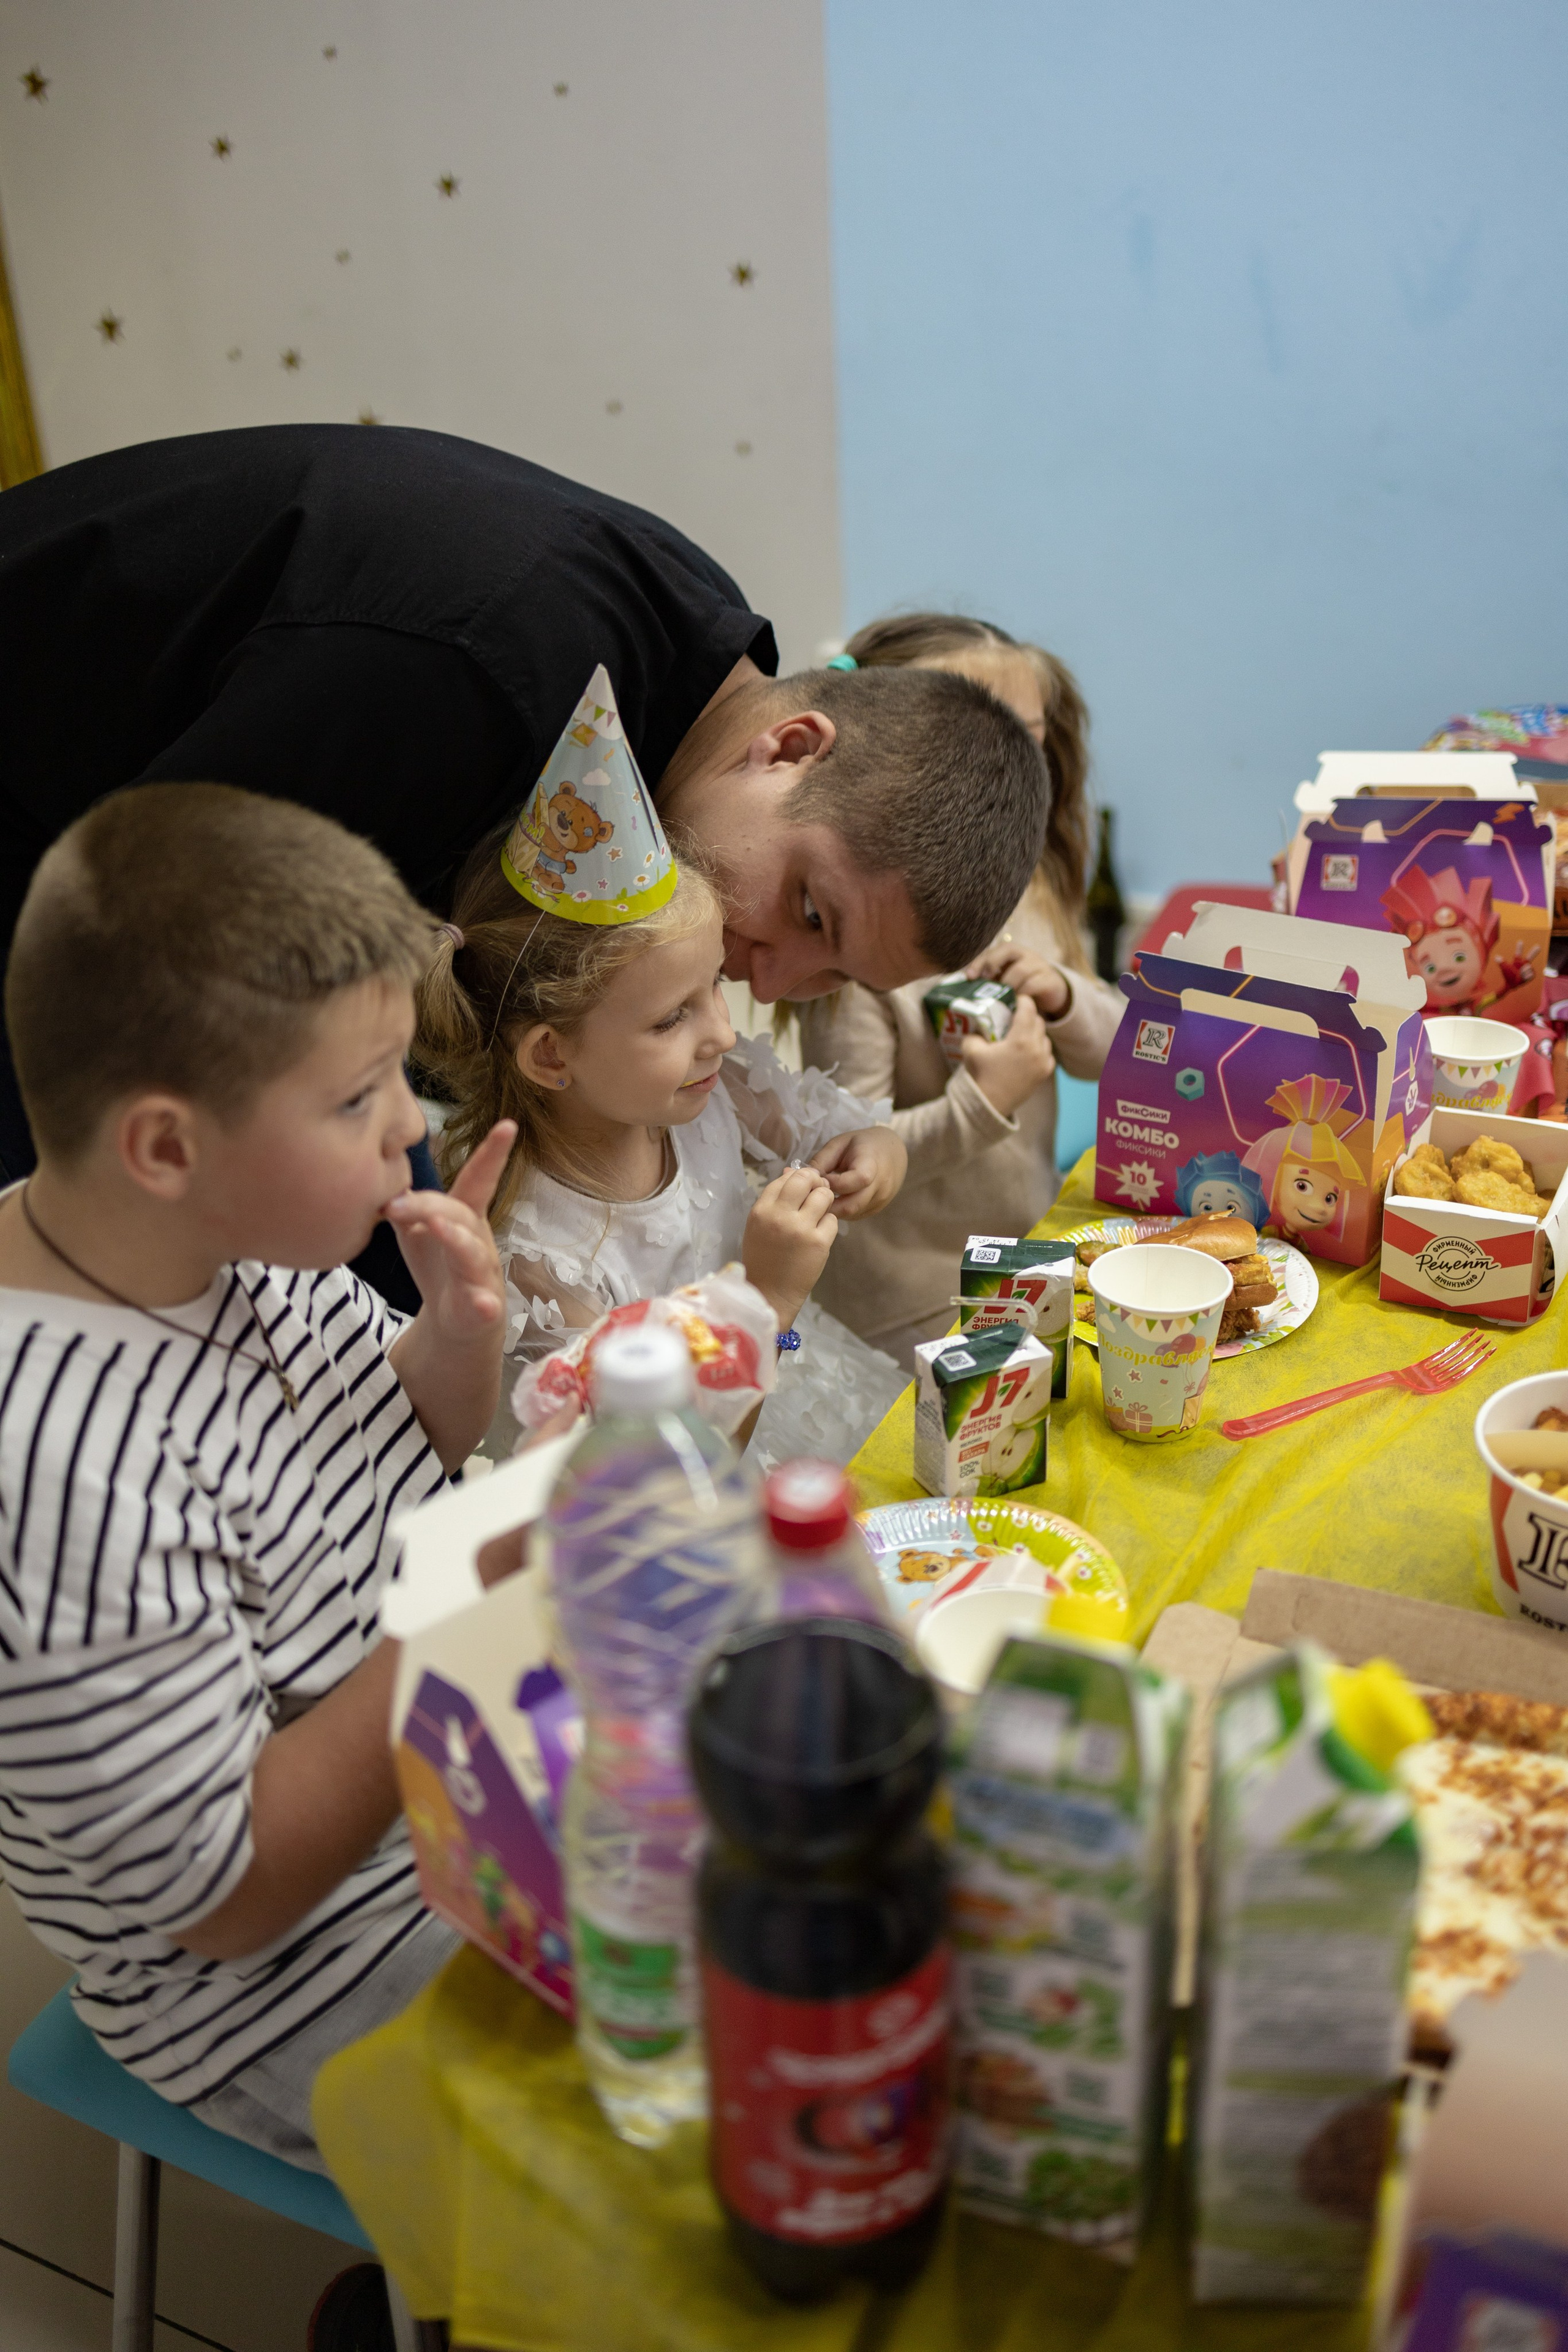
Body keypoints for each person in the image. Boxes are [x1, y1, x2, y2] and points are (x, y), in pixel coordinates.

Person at [0, 424, 1049, 1178]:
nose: (764, 973)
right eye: (809, 912)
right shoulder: (477, 675)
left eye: (828, 977)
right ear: (788, 748)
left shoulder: (694, 688)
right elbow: (130, 946)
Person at [0, 782, 520, 2168]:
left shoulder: (240, 1252)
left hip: (453, 1767)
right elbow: (227, 1895)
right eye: (356, 1098)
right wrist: (464, 1611)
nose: (409, 1129)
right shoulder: (53, 1463)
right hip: (300, 1966)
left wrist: (456, 1339)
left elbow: (405, 1449)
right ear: (165, 1145)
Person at [414, 671, 910, 1466]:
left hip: (808, 1389)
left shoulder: (711, 1090)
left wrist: (872, 1154)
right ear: (552, 1055)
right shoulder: (538, 1258)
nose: (721, 1032)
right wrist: (767, 1298)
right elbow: (666, 1462)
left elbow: (842, 1130)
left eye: (715, 982)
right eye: (672, 1016)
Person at [796, 613, 1124, 1370]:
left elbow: (1122, 1052)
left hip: (1020, 1251)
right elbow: (841, 1157)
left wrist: (1066, 995)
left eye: (1026, 736)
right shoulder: (855, 945)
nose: (1006, 769)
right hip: (904, 1300)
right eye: (968, 740)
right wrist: (985, 1102)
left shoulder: (1032, 883)